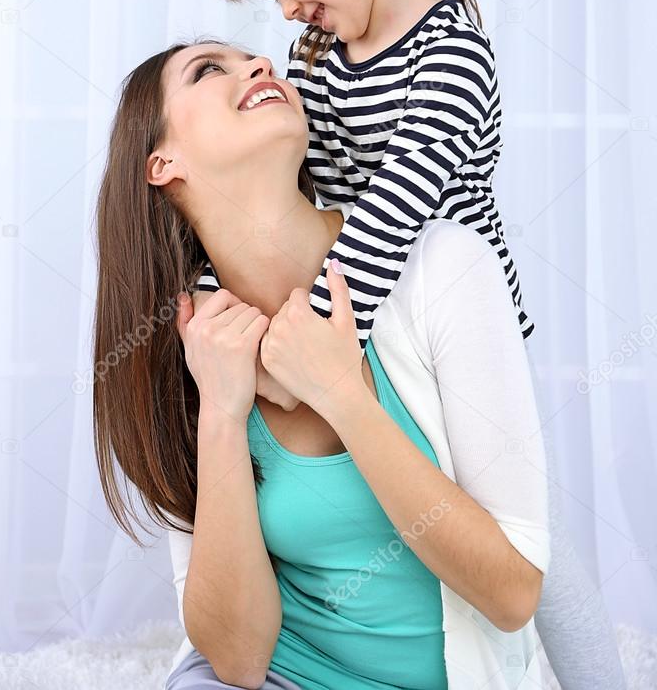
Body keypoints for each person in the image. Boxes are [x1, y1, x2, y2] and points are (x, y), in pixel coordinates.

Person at [195, 0, 627, 690]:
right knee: (395, 502)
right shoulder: (323, 59)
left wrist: (300, 347)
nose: (282, 12)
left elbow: (392, 208)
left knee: (519, 530)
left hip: (450, 326)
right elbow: (286, 194)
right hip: (366, 316)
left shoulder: (452, 55)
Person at [92, 39, 550, 689]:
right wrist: (221, 415)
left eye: (254, 59)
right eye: (208, 70)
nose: (258, 66)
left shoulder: (445, 267)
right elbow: (238, 658)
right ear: (161, 162)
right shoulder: (194, 341)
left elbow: (513, 595)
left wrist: (341, 393)